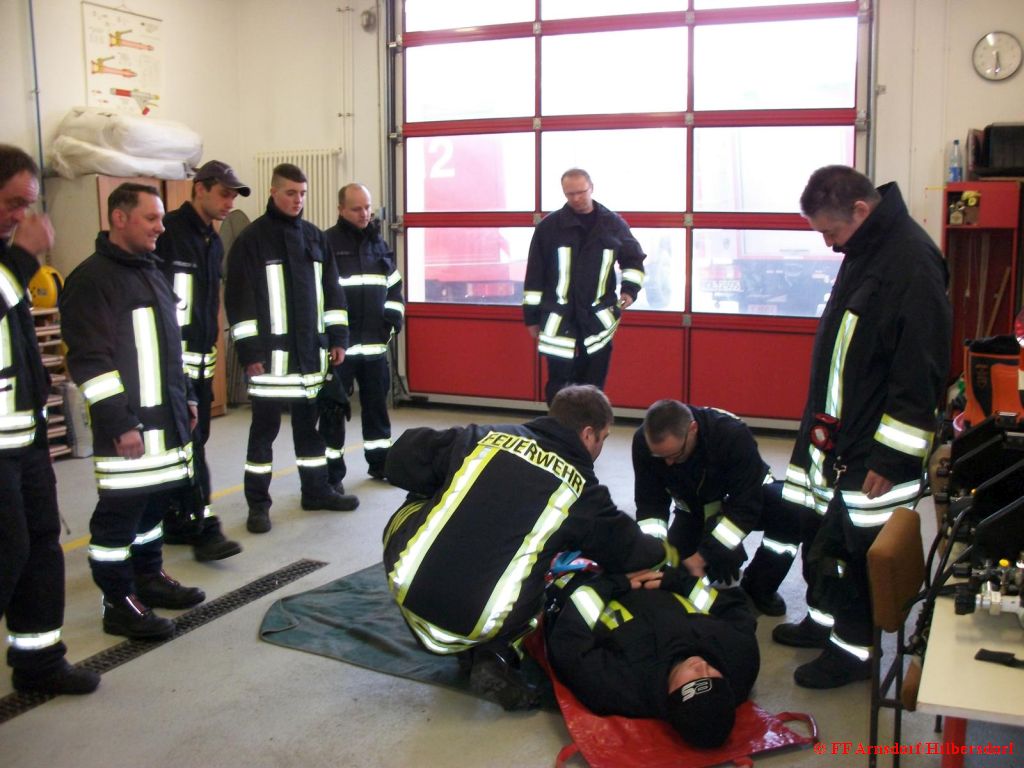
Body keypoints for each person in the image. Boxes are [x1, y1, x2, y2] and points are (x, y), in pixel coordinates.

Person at [382, 384, 668, 710]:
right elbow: (631, 551)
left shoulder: (482, 435)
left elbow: (400, 460)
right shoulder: (582, 493)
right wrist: (668, 552)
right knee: (543, 566)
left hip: (407, 590)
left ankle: (467, 623)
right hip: (478, 622)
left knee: (427, 496)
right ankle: (498, 652)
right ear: (588, 435)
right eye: (603, 438)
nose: (600, 446)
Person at [774, 165, 951, 688]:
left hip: (874, 451)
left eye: (831, 232)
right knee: (824, 538)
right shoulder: (867, 250)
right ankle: (825, 623)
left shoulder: (912, 264)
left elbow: (920, 373)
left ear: (860, 210)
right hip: (835, 437)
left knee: (856, 552)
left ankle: (854, 653)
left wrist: (891, 460)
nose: (828, 245)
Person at [60, 183, 206, 641]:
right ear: (119, 218)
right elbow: (90, 362)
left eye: (161, 219)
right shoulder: (91, 280)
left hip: (166, 423)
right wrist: (120, 422)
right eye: (151, 219)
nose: (161, 228)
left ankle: (148, 578)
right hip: (129, 429)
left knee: (152, 508)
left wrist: (189, 399)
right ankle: (117, 602)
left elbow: (168, 349)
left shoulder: (150, 271)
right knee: (118, 518)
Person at [0, 145, 100, 694]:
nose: (23, 216)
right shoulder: (11, 261)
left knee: (42, 547)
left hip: (25, 439)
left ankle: (38, 661)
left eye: (29, 204)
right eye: (13, 202)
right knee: (7, 554)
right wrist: (24, 258)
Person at [224, 163, 358, 534]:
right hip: (270, 365)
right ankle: (258, 505)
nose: (297, 200)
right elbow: (240, 303)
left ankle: (316, 491)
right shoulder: (251, 241)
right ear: (272, 192)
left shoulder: (316, 238)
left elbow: (334, 294)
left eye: (302, 194)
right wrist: (250, 354)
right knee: (263, 435)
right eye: (289, 193)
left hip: (310, 361)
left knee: (311, 432)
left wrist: (338, 340)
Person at [545, 563, 759, 749]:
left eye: (695, 684)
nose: (702, 668)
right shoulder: (739, 658)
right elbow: (733, 608)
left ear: (672, 700)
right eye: (714, 676)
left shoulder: (622, 686)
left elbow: (568, 642)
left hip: (590, 583)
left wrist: (609, 585)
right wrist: (679, 582)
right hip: (657, 570)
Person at [156, 160, 248, 562]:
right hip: (170, 364)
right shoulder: (169, 235)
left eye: (234, 196)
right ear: (200, 189)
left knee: (194, 442)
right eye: (224, 193)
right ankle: (205, 529)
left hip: (200, 362)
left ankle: (174, 521)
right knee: (191, 447)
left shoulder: (212, 241)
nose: (229, 202)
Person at [633, 400, 801, 617]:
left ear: (692, 429)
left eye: (675, 454)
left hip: (741, 503)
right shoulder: (643, 442)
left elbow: (746, 507)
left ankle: (760, 584)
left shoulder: (731, 435)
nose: (668, 464)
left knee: (790, 508)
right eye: (661, 457)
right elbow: (650, 506)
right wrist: (653, 553)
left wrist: (706, 554)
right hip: (693, 512)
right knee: (672, 576)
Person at [523, 168, 646, 404]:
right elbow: (535, 275)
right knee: (559, 387)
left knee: (593, 387)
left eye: (581, 192)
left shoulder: (613, 224)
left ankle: (590, 435)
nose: (576, 198)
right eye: (570, 194)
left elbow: (633, 259)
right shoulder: (549, 228)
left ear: (592, 188)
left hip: (597, 320)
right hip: (559, 320)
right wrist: (531, 318)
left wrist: (629, 291)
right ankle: (560, 434)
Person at [320, 183, 404, 484]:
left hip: (374, 349)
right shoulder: (326, 244)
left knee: (377, 410)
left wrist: (391, 323)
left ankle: (380, 463)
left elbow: (395, 288)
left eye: (367, 207)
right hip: (339, 351)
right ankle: (332, 474)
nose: (364, 214)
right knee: (332, 412)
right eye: (356, 208)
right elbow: (319, 296)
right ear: (341, 209)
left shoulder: (378, 245)